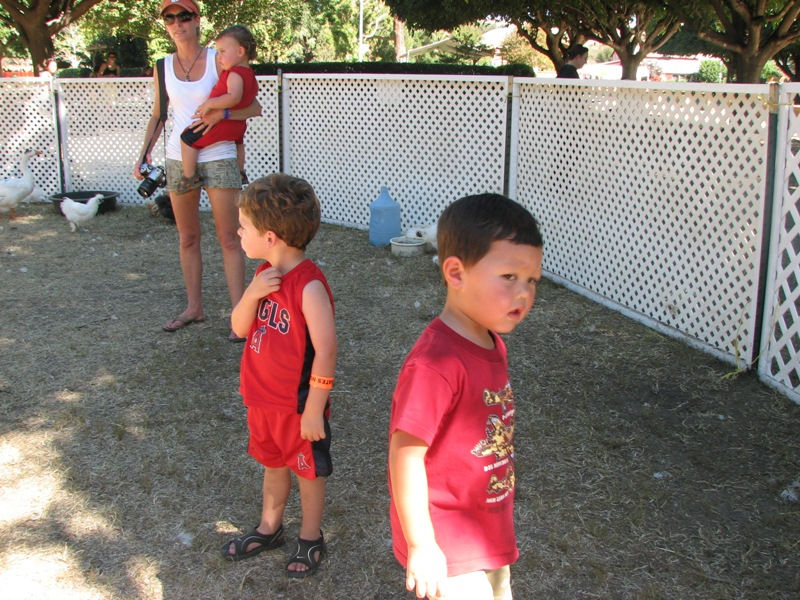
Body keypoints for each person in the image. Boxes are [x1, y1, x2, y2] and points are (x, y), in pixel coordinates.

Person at [388, 193, 544, 600]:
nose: (524, 293)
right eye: (509, 277)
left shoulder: (491, 342)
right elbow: (405, 455)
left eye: (532, 280)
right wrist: (422, 544)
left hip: (487, 534)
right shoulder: (435, 365)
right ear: (456, 273)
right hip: (447, 545)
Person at [222, 174, 336, 579]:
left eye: (244, 227)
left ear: (270, 236)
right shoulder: (262, 276)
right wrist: (252, 294)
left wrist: (315, 409)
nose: (238, 233)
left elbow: (326, 350)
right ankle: (269, 527)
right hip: (262, 402)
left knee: (307, 471)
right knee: (273, 465)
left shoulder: (309, 286)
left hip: (297, 407)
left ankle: (310, 536)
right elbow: (238, 328)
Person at [133, 0, 261, 338]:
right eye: (170, 18)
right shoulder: (162, 66)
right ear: (165, 24)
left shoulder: (220, 58)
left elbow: (253, 107)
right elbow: (159, 114)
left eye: (184, 16)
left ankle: (239, 317)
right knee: (187, 237)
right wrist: (143, 154)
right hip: (179, 157)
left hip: (219, 154)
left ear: (196, 19)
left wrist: (223, 114)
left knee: (229, 238)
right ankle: (194, 308)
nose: (178, 24)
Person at [177, 25, 258, 194]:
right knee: (238, 143)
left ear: (240, 51)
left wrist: (210, 104)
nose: (218, 56)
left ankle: (189, 177)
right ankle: (240, 171)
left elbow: (234, 97)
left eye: (222, 51)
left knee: (187, 138)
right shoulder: (249, 74)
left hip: (221, 124)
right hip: (238, 125)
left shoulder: (234, 73)